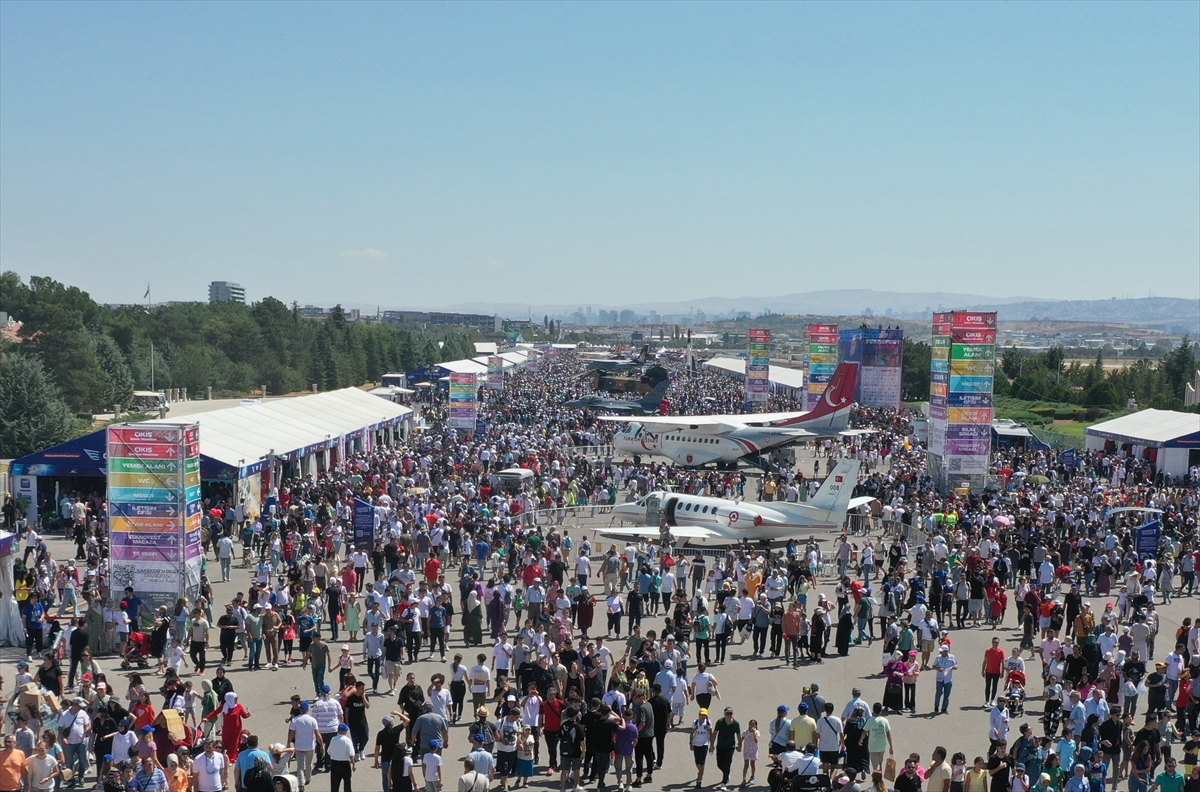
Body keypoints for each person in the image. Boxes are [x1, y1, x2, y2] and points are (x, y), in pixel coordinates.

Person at [712, 707, 742, 791]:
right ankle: (727, 773)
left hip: (730, 747)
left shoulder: (736, 724)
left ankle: (724, 783)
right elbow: (714, 733)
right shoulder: (720, 722)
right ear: (724, 714)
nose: (729, 715)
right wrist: (711, 745)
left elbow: (738, 735)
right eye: (727, 714)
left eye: (730, 714)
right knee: (719, 764)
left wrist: (739, 744)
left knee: (727, 764)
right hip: (720, 746)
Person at [860, 703, 893, 773]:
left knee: (875, 766)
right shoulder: (885, 721)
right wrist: (891, 746)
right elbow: (888, 734)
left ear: (873, 710)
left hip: (873, 747)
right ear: (881, 711)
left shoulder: (870, 721)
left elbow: (865, 731)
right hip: (882, 746)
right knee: (880, 763)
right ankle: (879, 774)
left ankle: (877, 778)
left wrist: (861, 739)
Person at [327, 723, 357, 792]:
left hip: (334, 763)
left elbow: (329, 752)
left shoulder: (333, 739)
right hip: (344, 764)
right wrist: (354, 764)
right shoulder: (347, 740)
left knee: (334, 785)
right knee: (347, 784)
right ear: (345, 731)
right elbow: (351, 754)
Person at [689, 708, 713, 790]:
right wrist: (691, 743)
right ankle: (700, 772)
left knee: (702, 763)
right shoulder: (696, 722)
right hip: (696, 744)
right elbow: (692, 733)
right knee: (697, 762)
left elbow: (711, 734)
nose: (703, 717)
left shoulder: (708, 723)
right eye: (701, 715)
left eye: (704, 715)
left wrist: (711, 745)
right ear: (699, 715)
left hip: (704, 744)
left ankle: (699, 780)